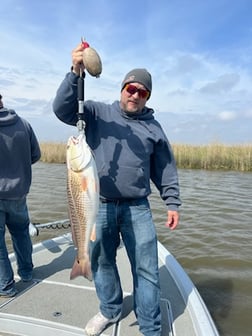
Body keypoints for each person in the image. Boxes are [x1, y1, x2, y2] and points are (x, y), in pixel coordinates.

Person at [53, 42, 181, 336]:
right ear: (122, 88)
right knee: (100, 261)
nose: (134, 94)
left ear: (147, 97)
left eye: (142, 92)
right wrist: (75, 72)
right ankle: (109, 309)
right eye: (130, 88)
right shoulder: (97, 113)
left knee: (147, 269)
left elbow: (164, 168)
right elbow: (61, 109)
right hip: (99, 204)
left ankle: (150, 326)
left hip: (138, 208)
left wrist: (172, 202)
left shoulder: (154, 128)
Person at [0, 94, 41, 297]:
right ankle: (26, 273)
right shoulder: (23, 124)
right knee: (21, 235)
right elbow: (36, 155)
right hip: (19, 193)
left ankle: (6, 287)